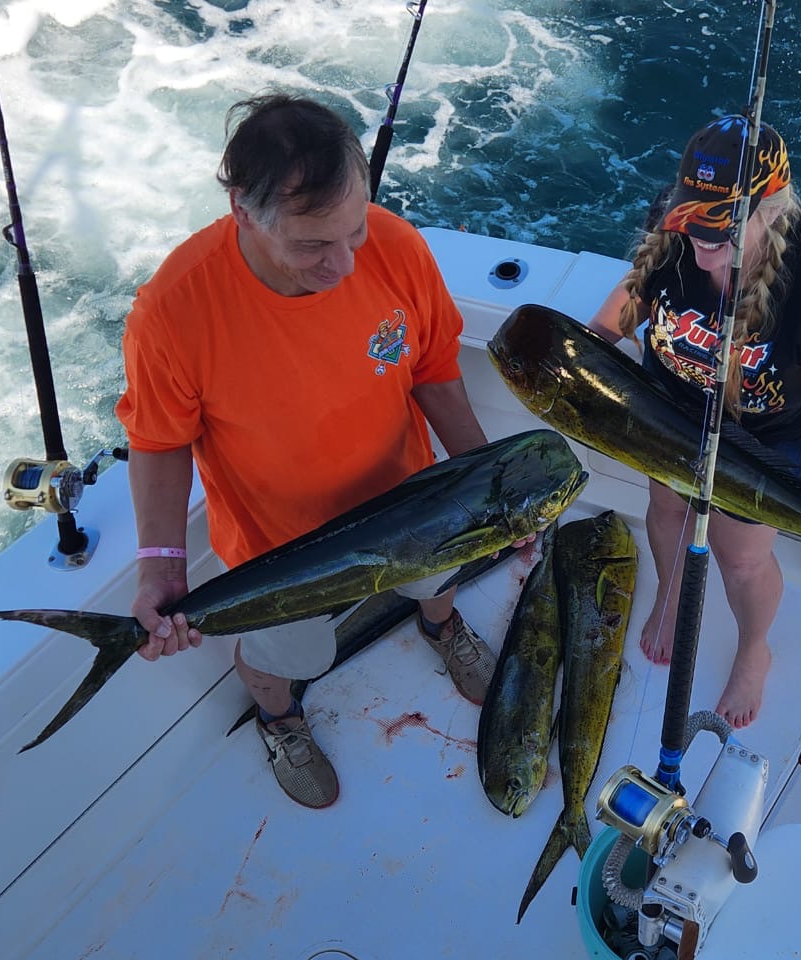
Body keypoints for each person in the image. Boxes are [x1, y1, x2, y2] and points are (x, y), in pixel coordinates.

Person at [116, 94, 509, 809]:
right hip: (280, 550)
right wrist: (161, 567)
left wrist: (492, 491)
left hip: (410, 505)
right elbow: (159, 442)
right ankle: (279, 716)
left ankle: (442, 626)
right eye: (311, 247)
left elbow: (434, 372)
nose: (342, 266)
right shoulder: (172, 311)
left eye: (353, 233)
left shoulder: (393, 246)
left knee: (437, 581)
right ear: (242, 209)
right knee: (289, 658)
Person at [587, 115, 801, 729]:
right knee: (666, 510)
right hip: (667, 414)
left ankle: (754, 647)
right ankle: (673, 599)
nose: (700, 240)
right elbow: (633, 294)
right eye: (690, 219)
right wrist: (586, 352)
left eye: (719, 226)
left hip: (763, 441)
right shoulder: (676, 225)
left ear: (771, 208)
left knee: (741, 558)